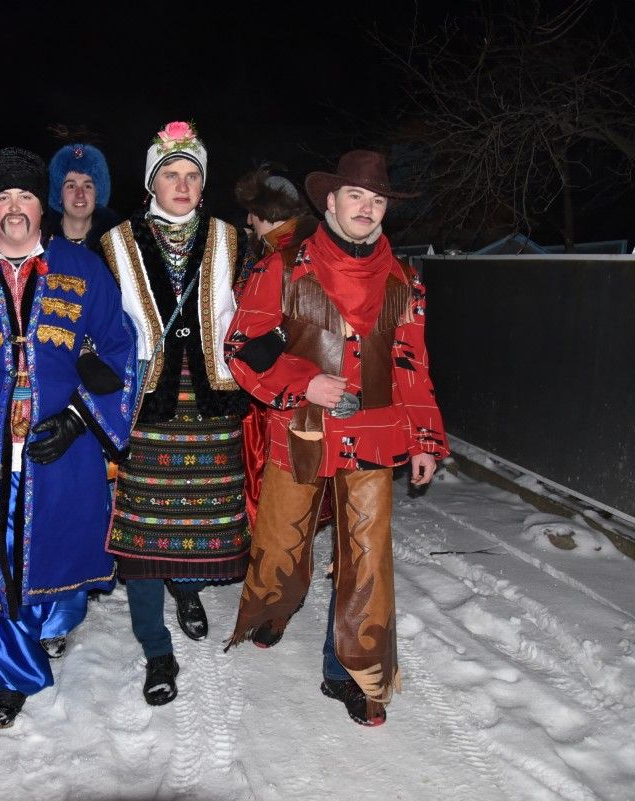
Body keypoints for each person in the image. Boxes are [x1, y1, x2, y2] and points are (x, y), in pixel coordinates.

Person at [224, 150, 449, 726]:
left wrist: (424, 438)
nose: (366, 208)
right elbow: (241, 348)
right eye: (356, 196)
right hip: (300, 429)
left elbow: (412, 367)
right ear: (331, 201)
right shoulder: (282, 268)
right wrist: (305, 382)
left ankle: (352, 672)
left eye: (376, 200)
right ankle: (273, 608)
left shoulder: (404, 280)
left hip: (373, 437)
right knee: (281, 542)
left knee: (366, 559)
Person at [0, 147, 137, 728]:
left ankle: (51, 620)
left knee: (56, 544)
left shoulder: (83, 268)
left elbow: (120, 348)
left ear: (44, 206)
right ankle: (9, 672)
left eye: (26, 196)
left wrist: (80, 418)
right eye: (2, 198)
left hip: (61, 444)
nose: (14, 208)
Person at [100, 121, 249, 706]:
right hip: (147, 404)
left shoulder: (232, 240)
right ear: (151, 183)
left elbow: (257, 315)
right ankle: (156, 648)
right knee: (143, 535)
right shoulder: (115, 244)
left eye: (192, 175)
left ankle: (187, 591)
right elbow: (99, 326)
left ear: (204, 185)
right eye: (170, 174)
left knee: (200, 527)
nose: (182, 185)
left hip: (212, 403)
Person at [231, 165, 320, 533]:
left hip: (279, 387)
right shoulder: (312, 248)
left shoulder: (278, 258)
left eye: (252, 213)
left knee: (275, 486)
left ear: (262, 212)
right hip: (307, 386)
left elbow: (248, 338)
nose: (248, 222)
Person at [43, 143, 121, 253]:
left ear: (97, 195)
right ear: (59, 195)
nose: (80, 194)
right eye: (71, 186)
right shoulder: (40, 248)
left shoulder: (117, 251)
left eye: (87, 186)